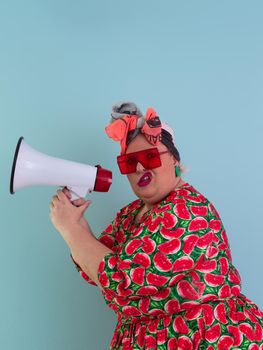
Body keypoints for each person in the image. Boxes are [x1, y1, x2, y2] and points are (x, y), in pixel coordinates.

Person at [49, 102, 263, 350]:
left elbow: (120, 281)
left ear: (173, 158)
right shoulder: (130, 214)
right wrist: (75, 222)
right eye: (129, 163)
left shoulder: (187, 210)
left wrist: (70, 228)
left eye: (149, 157)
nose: (139, 168)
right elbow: (94, 269)